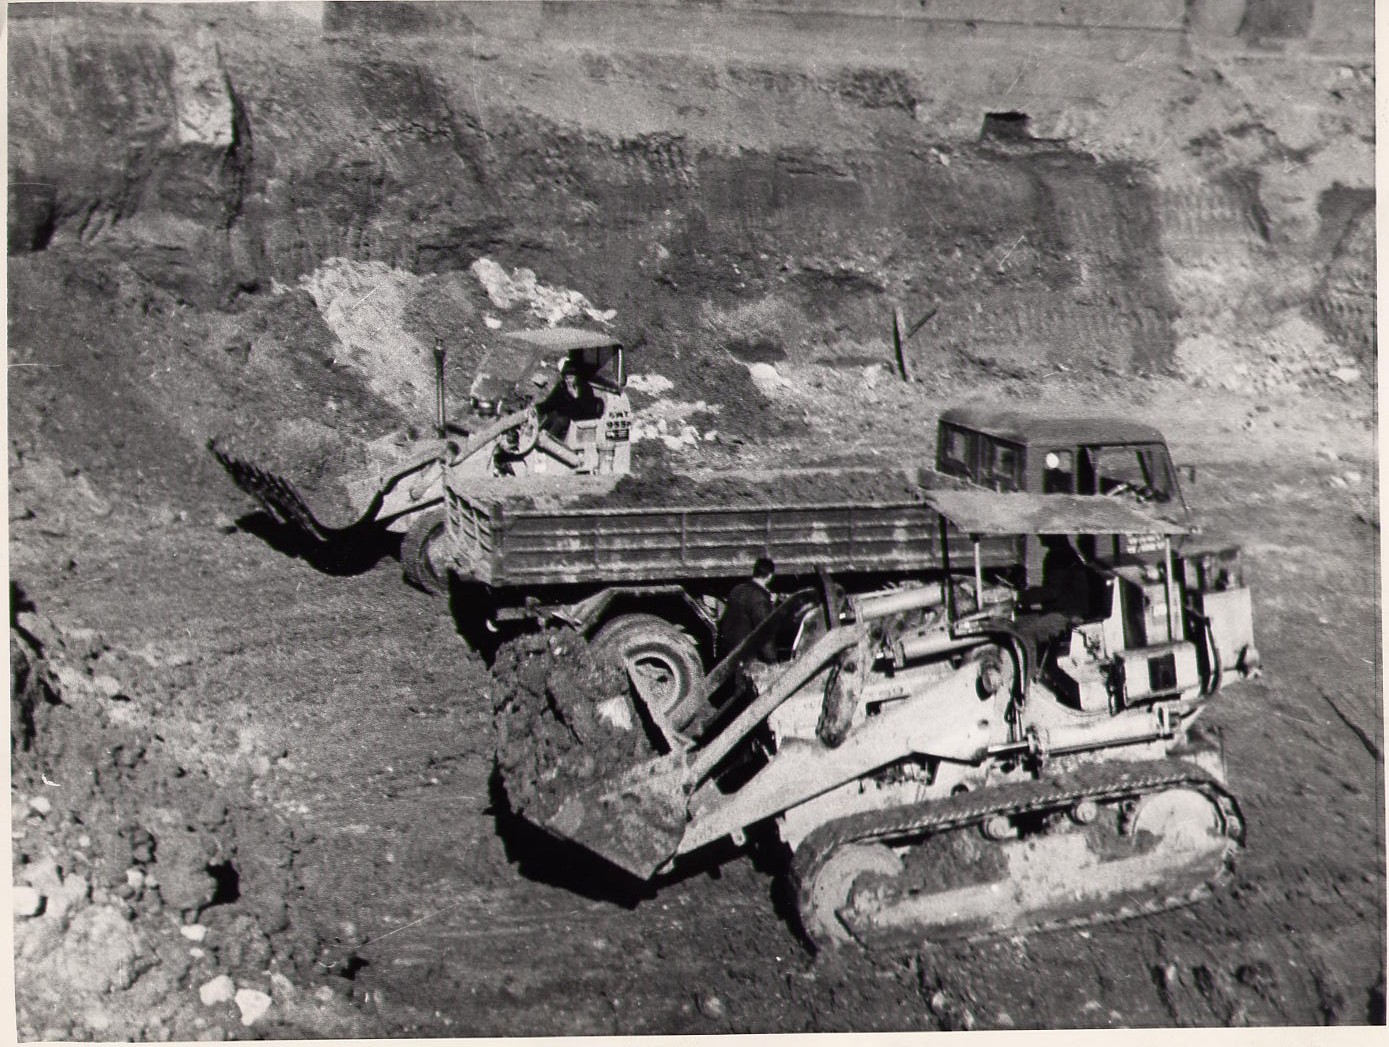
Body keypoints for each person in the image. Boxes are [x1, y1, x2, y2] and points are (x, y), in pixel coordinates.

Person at [718, 557, 777, 662]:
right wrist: (772, 659)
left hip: (730, 650)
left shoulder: (737, 589)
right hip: (746, 653)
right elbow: (764, 630)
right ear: (770, 576)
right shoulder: (759, 598)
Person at [539, 362, 603, 440]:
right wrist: (537, 409)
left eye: (571, 377)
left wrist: (576, 397)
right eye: (566, 378)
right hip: (561, 414)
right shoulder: (562, 386)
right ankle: (538, 435)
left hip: (576, 419)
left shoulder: (585, 388)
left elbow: (587, 409)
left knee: (560, 420)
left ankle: (546, 440)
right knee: (552, 415)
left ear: (577, 377)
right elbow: (550, 402)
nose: (568, 381)